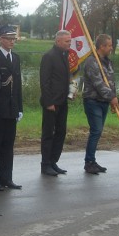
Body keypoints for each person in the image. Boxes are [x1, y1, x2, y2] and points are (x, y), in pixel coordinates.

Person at [0, 25, 23, 190]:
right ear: (0, 39)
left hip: (11, 108)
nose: (11, 42)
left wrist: (20, 107)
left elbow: (18, 86)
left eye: (13, 39)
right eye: (8, 39)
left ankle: (6, 178)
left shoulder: (15, 58)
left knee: (8, 145)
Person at [82, 34, 119, 174]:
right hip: (93, 101)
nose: (111, 48)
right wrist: (111, 97)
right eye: (109, 45)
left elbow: (111, 82)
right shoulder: (92, 62)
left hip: (104, 102)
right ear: (101, 46)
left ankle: (92, 160)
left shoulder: (107, 62)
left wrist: (113, 98)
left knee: (98, 132)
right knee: (96, 131)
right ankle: (89, 162)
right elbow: (98, 84)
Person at [40, 30, 72, 177]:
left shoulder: (64, 56)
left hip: (63, 101)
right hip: (51, 103)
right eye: (67, 41)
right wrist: (48, 102)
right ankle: (45, 164)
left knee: (61, 132)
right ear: (58, 41)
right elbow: (44, 81)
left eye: (70, 41)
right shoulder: (49, 56)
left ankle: (53, 161)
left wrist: (70, 90)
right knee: (48, 134)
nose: (69, 43)